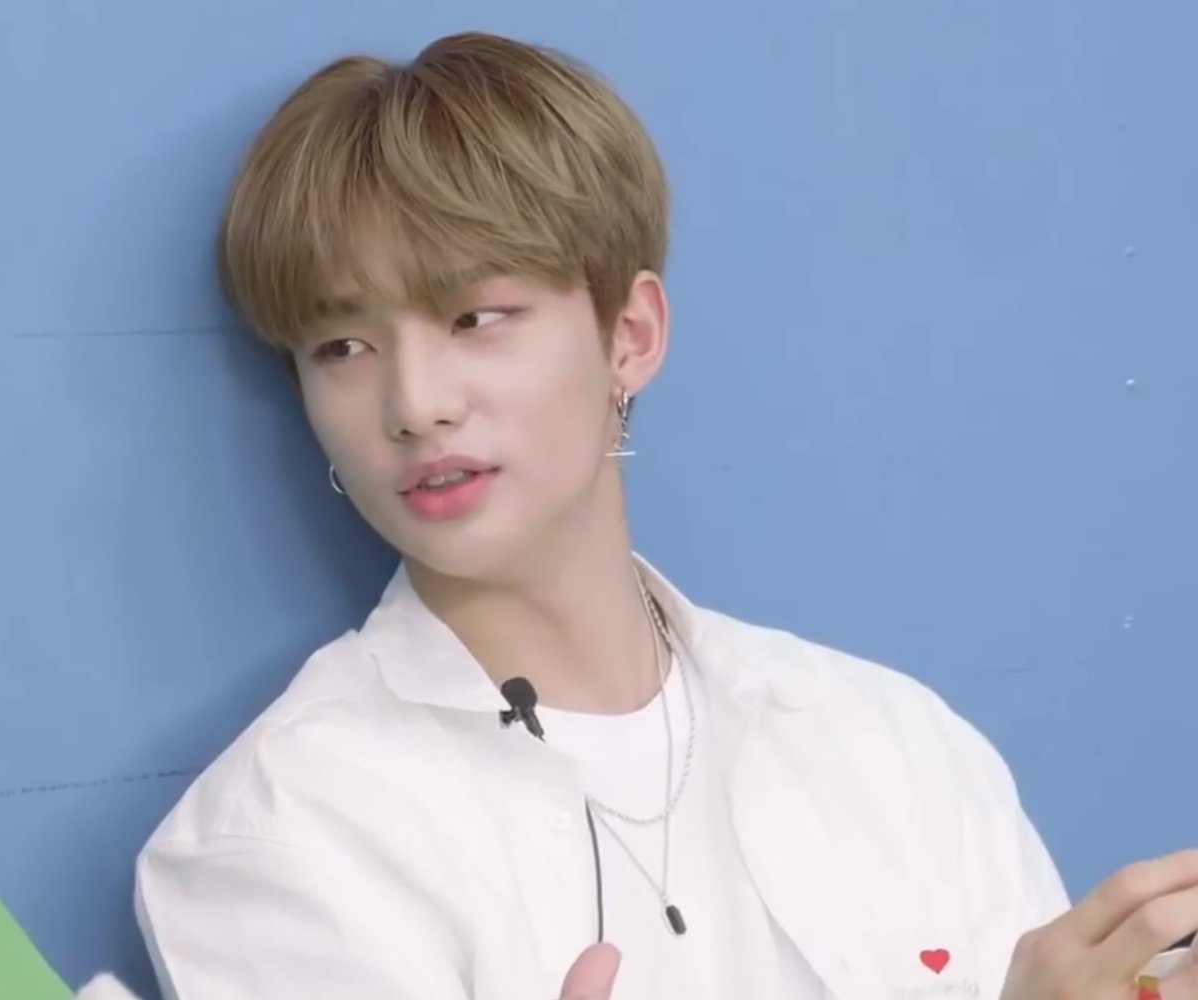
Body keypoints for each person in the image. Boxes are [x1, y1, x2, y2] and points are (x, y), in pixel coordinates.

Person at [134, 30, 1198, 1000]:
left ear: (630, 335)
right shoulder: (280, 836)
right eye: (343, 347)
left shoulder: (887, 741)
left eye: (476, 316)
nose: (415, 403)